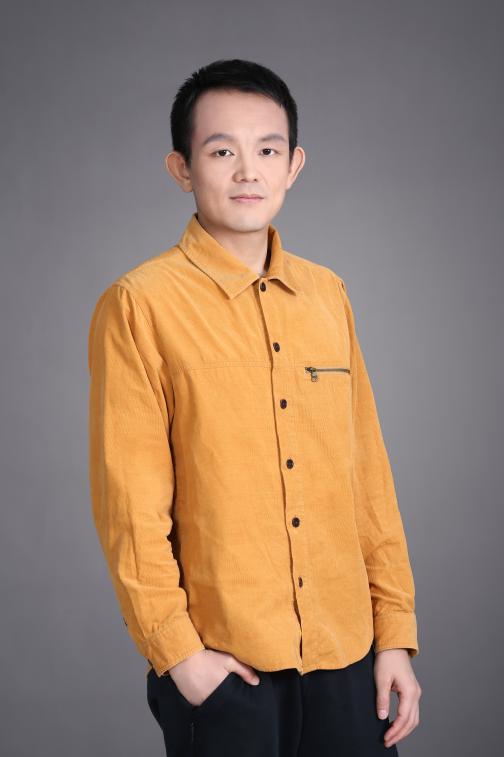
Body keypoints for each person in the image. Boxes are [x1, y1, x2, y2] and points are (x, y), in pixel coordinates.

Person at [87, 58, 422, 756]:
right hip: (226, 668)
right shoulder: (140, 305)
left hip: (348, 658)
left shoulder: (328, 294)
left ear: (293, 165)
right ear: (182, 168)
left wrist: (394, 633)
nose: (248, 171)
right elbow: (131, 508)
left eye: (267, 150)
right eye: (221, 151)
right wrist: (181, 657)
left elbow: (368, 480)